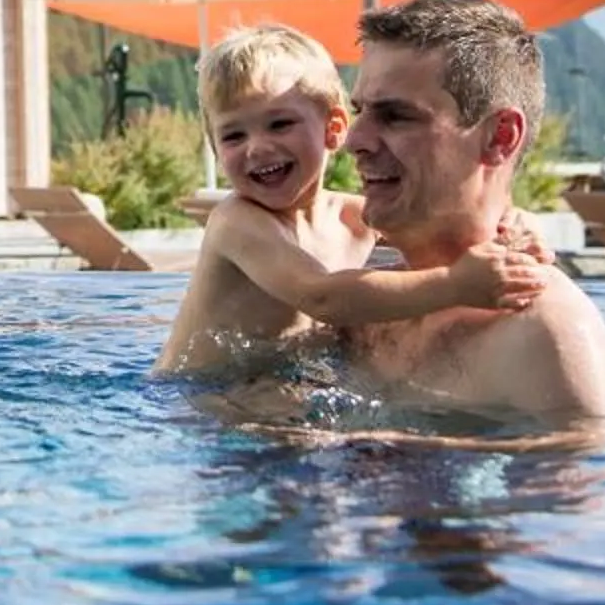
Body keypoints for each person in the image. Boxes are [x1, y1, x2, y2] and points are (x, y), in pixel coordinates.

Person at [157, 24, 549, 381]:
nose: (257, 148)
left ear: (334, 129)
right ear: (214, 148)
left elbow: (435, 224)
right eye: (233, 137)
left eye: (280, 124)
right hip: (203, 400)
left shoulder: (354, 218)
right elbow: (322, 296)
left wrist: (512, 224)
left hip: (277, 391)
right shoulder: (237, 222)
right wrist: (456, 284)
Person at [341, 0, 605, 422]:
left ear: (500, 136)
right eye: (359, 111)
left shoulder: (543, 336)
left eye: (396, 116)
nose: (355, 140)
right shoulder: (358, 298)